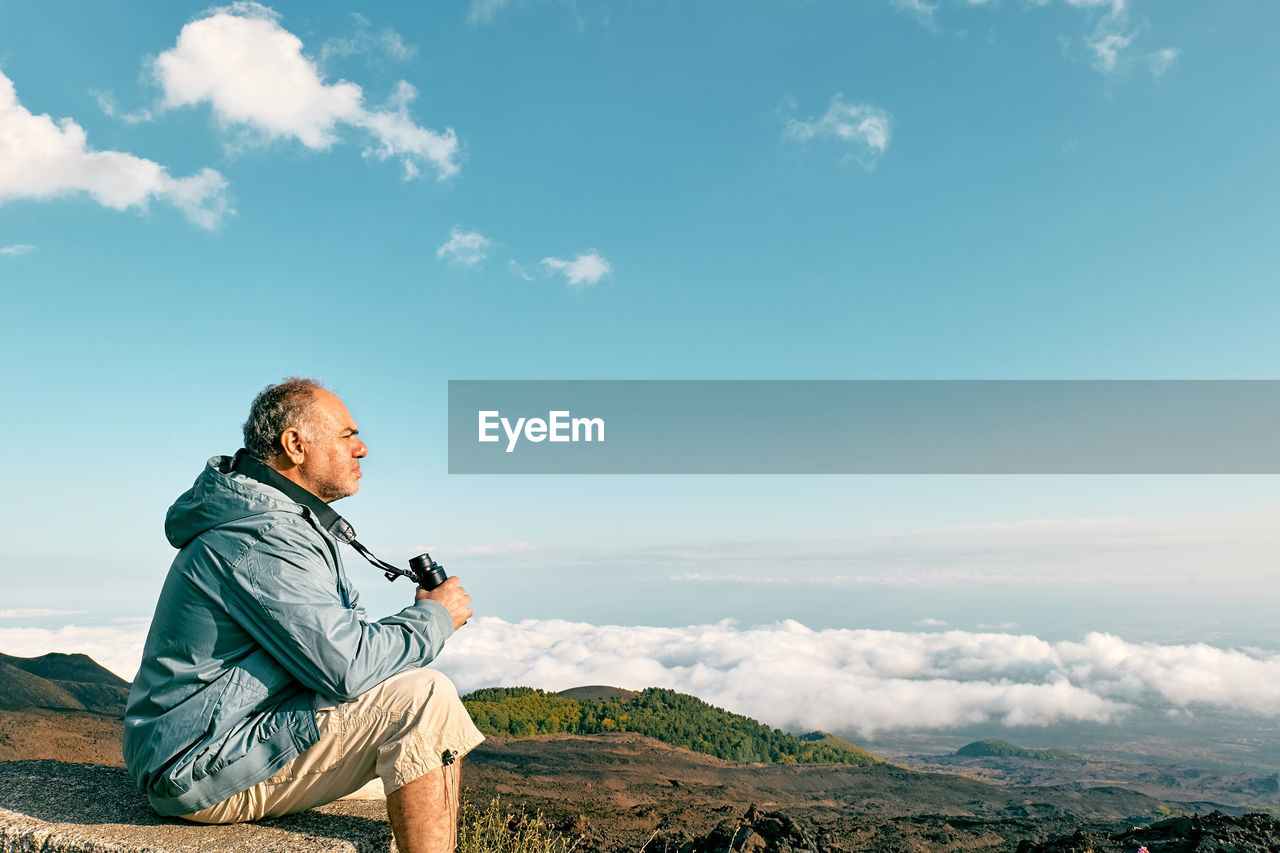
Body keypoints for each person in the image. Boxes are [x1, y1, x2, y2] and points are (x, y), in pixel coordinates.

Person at [123, 378, 483, 853]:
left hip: (213, 738)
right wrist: (435, 617)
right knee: (423, 702)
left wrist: (422, 619)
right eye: (346, 435)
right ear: (295, 445)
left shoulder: (279, 522)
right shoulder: (263, 537)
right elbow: (347, 667)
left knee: (406, 700)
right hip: (199, 763)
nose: (363, 448)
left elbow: (341, 644)